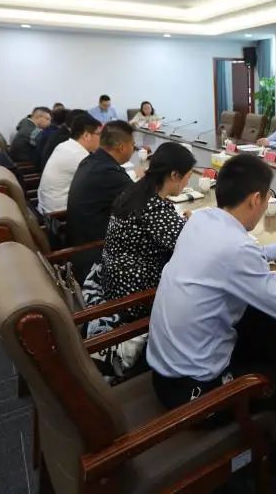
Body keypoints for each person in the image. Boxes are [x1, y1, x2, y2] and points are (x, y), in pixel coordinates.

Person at [146, 154, 276, 472]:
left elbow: (224, 258)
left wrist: (275, 250)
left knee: (265, 328)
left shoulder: (200, 220)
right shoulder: (236, 248)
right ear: (255, 199)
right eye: (266, 199)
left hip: (164, 370)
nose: (265, 205)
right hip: (194, 392)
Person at [82, 143, 196, 377]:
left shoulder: (136, 190)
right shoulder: (155, 208)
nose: (187, 184)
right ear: (174, 175)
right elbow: (191, 250)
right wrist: (193, 224)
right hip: (136, 296)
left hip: (113, 280)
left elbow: (165, 232)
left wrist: (183, 224)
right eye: (187, 177)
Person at [65, 121, 136, 277]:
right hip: (95, 252)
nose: (134, 148)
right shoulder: (110, 173)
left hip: (80, 240)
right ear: (121, 147)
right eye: (133, 144)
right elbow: (143, 205)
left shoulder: (91, 160)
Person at [37, 114, 101, 213]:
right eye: (99, 134)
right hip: (59, 214)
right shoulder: (77, 155)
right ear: (86, 135)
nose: (101, 138)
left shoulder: (65, 145)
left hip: (47, 206)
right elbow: (103, 179)